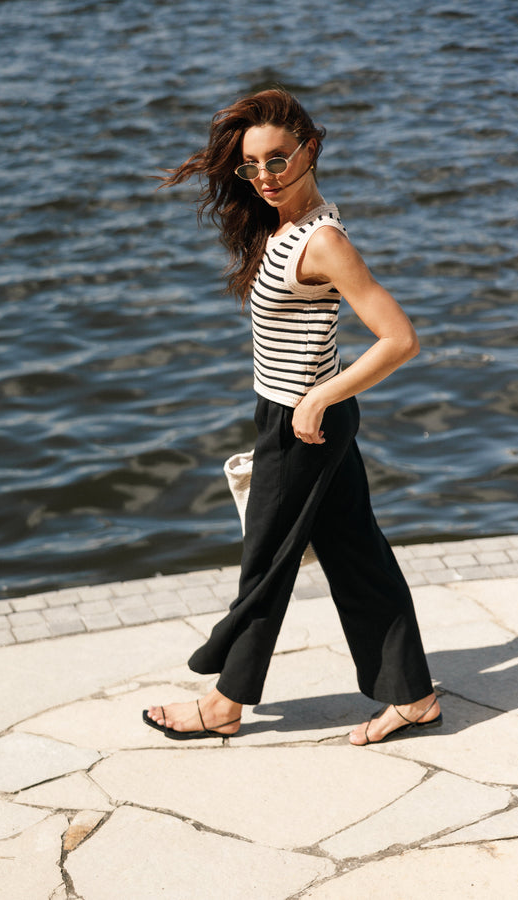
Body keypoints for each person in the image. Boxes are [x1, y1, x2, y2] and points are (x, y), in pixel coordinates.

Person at [143, 87, 442, 746]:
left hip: (305, 424)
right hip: (298, 416)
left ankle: (224, 702)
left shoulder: (323, 240)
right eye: (251, 165)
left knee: (265, 567)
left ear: (308, 149)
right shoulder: (280, 227)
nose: (265, 176)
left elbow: (400, 339)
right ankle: (414, 696)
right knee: (357, 555)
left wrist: (317, 397)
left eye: (277, 160)